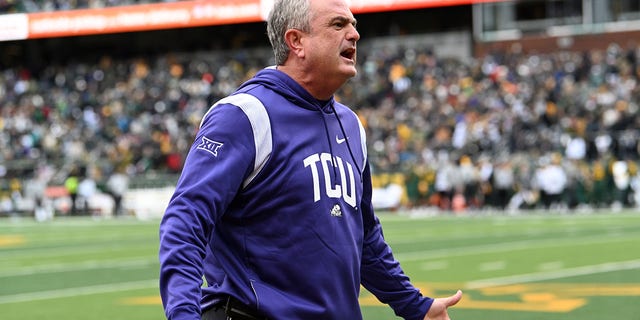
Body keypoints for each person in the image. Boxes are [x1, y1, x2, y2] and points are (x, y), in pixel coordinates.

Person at [158, 0, 462, 319]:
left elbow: (365, 237)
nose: (354, 34)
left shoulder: (352, 126)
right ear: (296, 41)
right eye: (338, 24)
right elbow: (186, 218)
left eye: (353, 24)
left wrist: (415, 305)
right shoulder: (245, 116)